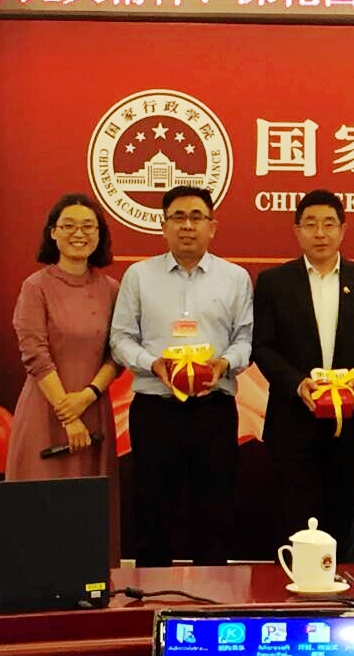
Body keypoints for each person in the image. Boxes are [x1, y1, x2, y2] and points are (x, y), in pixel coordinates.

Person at [110, 185, 254, 566]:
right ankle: (149, 595)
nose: (187, 226)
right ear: (163, 226)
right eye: (178, 217)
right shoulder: (138, 276)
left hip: (213, 409)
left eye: (196, 217)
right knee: (152, 511)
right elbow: (120, 338)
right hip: (156, 408)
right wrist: (152, 363)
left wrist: (223, 364)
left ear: (212, 226)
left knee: (215, 512)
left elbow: (245, 339)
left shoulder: (235, 278)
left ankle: (212, 597)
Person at [252, 189, 354, 555]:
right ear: (297, 231)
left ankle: (348, 586)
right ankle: (294, 583)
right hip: (293, 422)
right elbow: (261, 346)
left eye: (329, 223)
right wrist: (297, 384)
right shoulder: (274, 282)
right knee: (294, 516)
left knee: (348, 515)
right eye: (310, 224)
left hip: (352, 422)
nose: (320, 233)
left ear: (343, 229)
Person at [5, 193, 123, 561]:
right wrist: (68, 414)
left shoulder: (112, 289)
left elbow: (117, 354)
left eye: (88, 226)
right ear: (53, 233)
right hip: (45, 412)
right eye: (68, 225)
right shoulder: (35, 286)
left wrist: (87, 396)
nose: (79, 233)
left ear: (100, 235)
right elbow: (35, 354)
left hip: (94, 411)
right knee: (38, 512)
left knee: (88, 517)